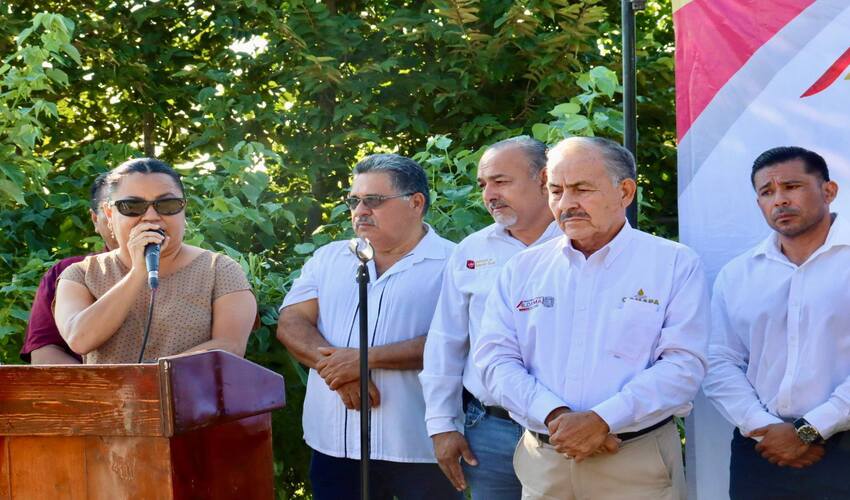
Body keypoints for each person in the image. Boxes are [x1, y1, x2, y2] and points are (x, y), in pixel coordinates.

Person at [474, 136, 709, 500]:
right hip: (546, 461)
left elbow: (683, 365)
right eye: (556, 191)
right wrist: (556, 417)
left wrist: (602, 420)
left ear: (625, 192)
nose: (567, 204)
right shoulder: (522, 269)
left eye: (582, 189)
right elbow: (494, 360)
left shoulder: (674, 264)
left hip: (634, 462)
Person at [276, 154, 460, 499]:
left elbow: (457, 342)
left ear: (416, 203)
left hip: (419, 445)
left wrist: (363, 360)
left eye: (373, 200)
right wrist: (342, 372)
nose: (360, 211)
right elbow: (291, 323)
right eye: (354, 201)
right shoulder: (329, 257)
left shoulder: (455, 262)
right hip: (335, 444)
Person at [703, 146, 850, 499]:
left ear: (828, 191)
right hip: (761, 451)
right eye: (767, 192)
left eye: (792, 186)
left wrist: (809, 430)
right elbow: (718, 359)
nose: (780, 199)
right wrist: (764, 427)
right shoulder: (738, 274)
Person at [420, 136, 559, 498]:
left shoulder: (581, 243)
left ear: (544, 179)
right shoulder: (472, 250)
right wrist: (442, 425)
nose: (489, 195)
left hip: (565, 429)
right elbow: (446, 341)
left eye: (501, 181)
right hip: (489, 429)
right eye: (483, 184)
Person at [54, 158, 256, 364]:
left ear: (183, 209)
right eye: (132, 206)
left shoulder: (220, 270)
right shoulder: (80, 274)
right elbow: (79, 340)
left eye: (167, 205)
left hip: (188, 387)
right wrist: (138, 273)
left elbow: (229, 347)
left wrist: (150, 376)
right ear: (109, 214)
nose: (151, 216)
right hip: (109, 388)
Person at [21, 173, 118, 364]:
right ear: (96, 219)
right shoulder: (69, 272)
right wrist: (107, 383)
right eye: (124, 208)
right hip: (91, 383)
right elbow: (43, 354)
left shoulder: (182, 270)